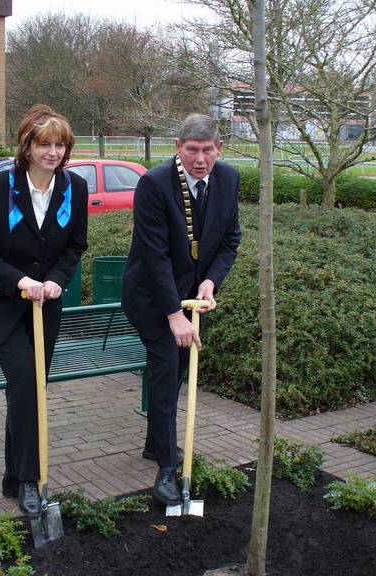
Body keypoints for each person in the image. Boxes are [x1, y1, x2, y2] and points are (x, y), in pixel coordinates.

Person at [0, 105, 88, 518]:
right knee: (27, 383)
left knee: (27, 391)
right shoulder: (0, 188)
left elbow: (75, 247)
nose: (53, 152)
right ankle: (30, 482)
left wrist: (57, 279)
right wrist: (21, 281)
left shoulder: (76, 188)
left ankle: (10, 476)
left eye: (59, 144)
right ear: (27, 147)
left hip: (44, 308)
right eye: (44, 144)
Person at [121, 113, 242, 505]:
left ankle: (156, 445)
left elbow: (229, 241)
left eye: (208, 150)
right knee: (166, 368)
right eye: (192, 150)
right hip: (151, 298)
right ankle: (168, 469)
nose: (201, 159)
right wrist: (173, 315)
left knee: (174, 375)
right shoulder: (154, 184)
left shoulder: (228, 179)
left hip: (191, 297)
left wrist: (210, 282)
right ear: (178, 147)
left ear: (218, 149)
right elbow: (154, 256)